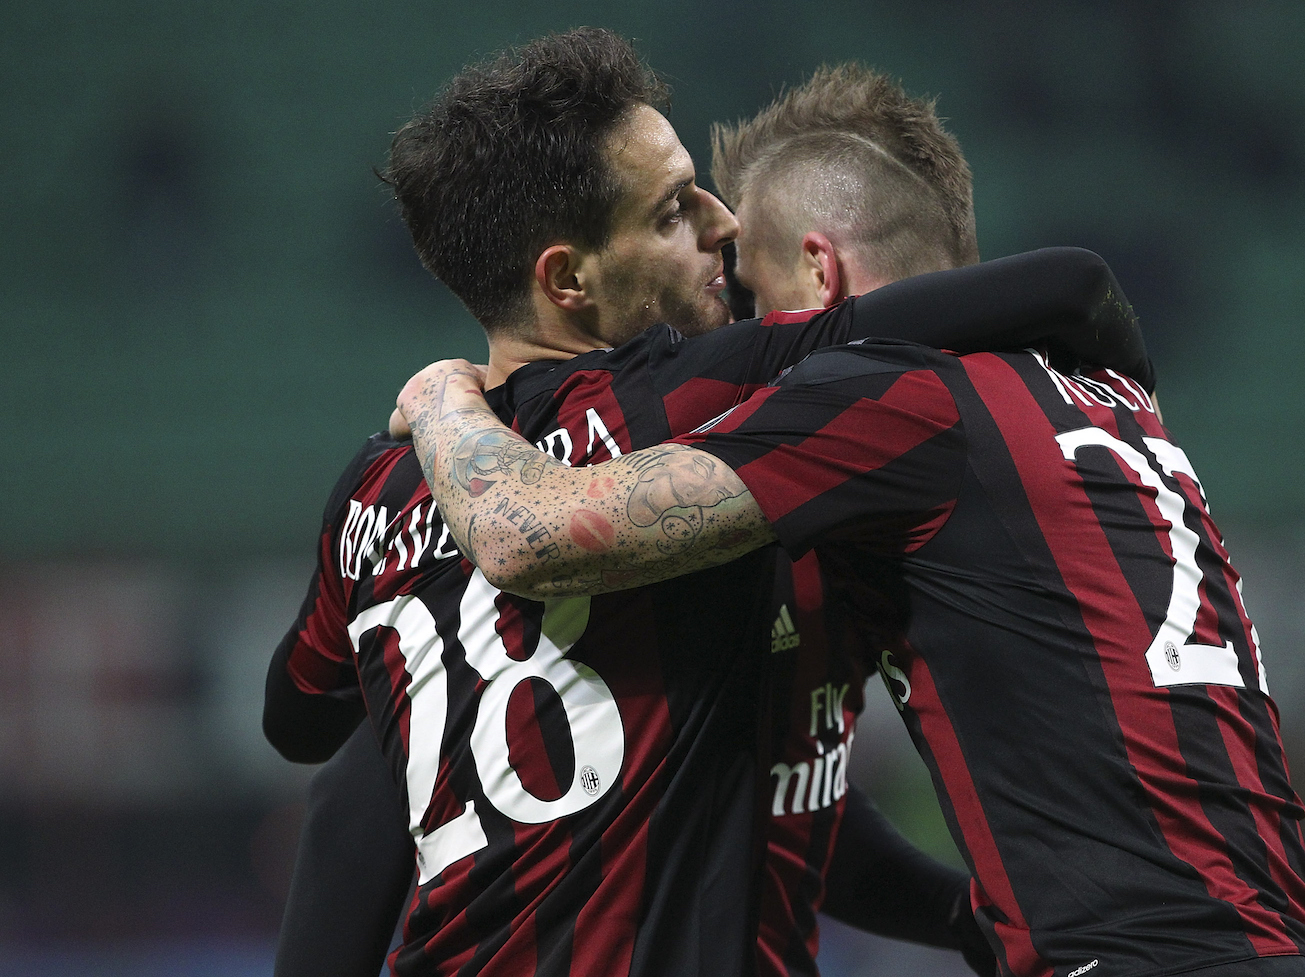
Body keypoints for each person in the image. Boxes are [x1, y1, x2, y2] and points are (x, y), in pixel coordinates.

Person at [391, 114, 1305, 977]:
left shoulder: (892, 397)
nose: (753, 351)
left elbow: (532, 535)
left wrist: (443, 397)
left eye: (761, 298)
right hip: (1296, 942)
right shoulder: (1109, 400)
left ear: (823, 271)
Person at [265, 30, 1149, 977]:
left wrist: (443, 395)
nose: (723, 226)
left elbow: (303, 723)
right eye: (674, 211)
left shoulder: (374, 485)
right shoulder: (684, 402)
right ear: (569, 279)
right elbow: (1044, 288)